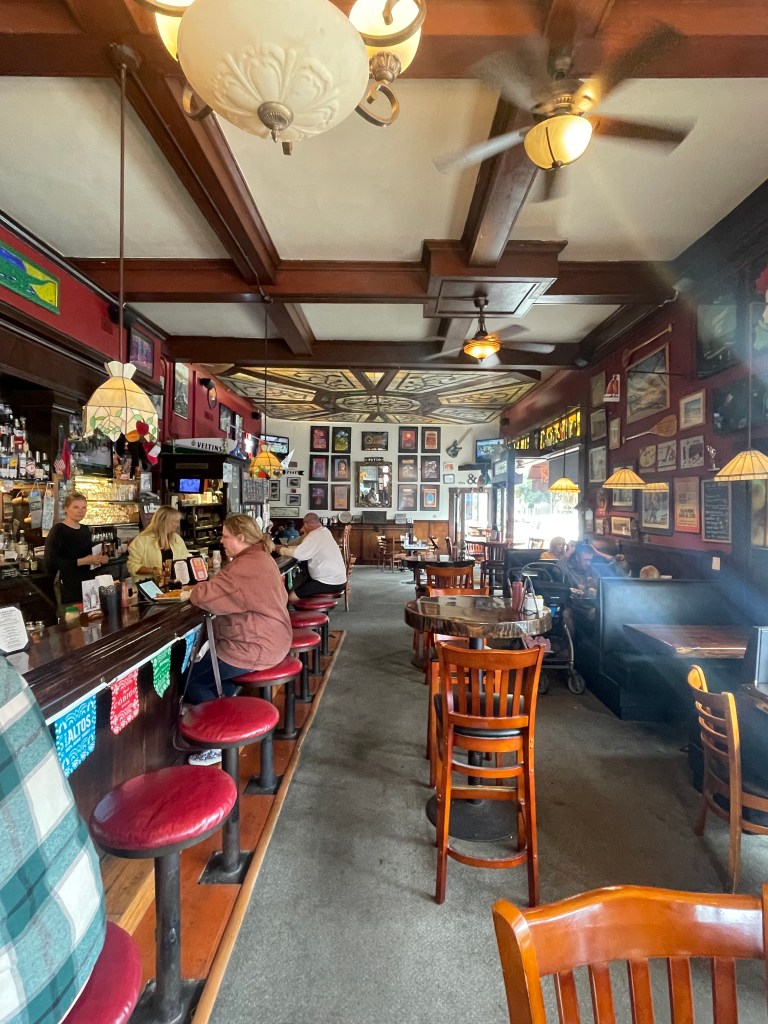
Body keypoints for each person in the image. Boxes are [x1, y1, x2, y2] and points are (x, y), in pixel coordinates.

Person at [185, 514, 293, 765]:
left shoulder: (243, 567)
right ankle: (224, 705)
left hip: (255, 646)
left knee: (191, 678)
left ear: (241, 537)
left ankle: (219, 737)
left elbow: (204, 596)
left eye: (225, 536)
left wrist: (192, 588)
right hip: (274, 639)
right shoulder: (261, 557)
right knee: (211, 676)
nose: (221, 541)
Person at [44, 491, 109, 607]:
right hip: (68, 586)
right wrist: (82, 561)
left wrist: (100, 559)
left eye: (84, 507)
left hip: (88, 585)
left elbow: (90, 556)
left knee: (91, 615)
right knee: (72, 617)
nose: (80, 511)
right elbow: (50, 562)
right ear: (66, 509)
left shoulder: (85, 530)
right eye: (76, 507)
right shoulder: (58, 530)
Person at [275, 511, 347, 604]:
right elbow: (302, 548)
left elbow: (298, 554)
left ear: (305, 524)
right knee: (301, 583)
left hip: (328, 582)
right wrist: (286, 547)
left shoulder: (314, 535)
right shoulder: (324, 531)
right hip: (337, 580)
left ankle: (300, 612)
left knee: (292, 597)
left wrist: (280, 549)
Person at [127, 505, 190, 584]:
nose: (177, 525)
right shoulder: (141, 540)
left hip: (175, 586)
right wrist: (152, 570)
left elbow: (186, 557)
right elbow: (132, 566)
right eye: (175, 521)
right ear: (164, 522)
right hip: (151, 587)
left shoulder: (177, 539)